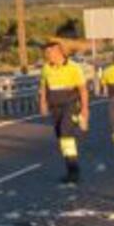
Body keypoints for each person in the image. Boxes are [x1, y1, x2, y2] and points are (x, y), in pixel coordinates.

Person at [39, 42, 89, 184]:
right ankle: (70, 167)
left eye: (49, 53)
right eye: (46, 53)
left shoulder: (74, 67)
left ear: (58, 52)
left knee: (65, 133)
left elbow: (83, 89)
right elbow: (43, 86)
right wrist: (42, 103)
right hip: (55, 107)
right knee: (61, 137)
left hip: (71, 105)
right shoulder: (46, 68)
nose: (47, 56)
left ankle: (73, 170)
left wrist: (85, 109)